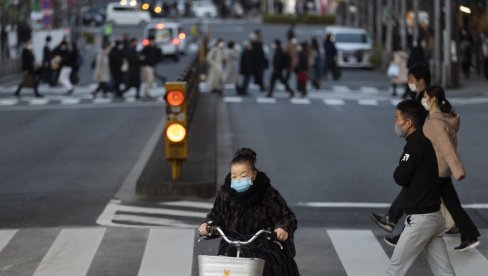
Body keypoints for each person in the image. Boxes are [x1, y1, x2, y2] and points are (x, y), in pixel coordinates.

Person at [198, 148, 300, 276]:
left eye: (243, 175)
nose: (238, 179)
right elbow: (216, 215)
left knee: (269, 269)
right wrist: (207, 226)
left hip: (262, 246)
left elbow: (286, 216)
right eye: (234, 176)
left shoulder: (267, 193)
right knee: (221, 269)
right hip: (231, 245)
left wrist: (282, 229)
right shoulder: (225, 194)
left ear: (254, 175)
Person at [386, 100, 455, 276]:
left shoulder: (414, 145)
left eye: (397, 118)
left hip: (420, 220)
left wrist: (401, 166)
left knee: (395, 269)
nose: (395, 122)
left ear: (408, 123)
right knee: (444, 271)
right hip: (433, 216)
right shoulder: (424, 143)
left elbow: (400, 176)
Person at [370, 63, 431, 241]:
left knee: (418, 195)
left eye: (411, 80)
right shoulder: (419, 98)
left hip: (428, 155)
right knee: (430, 197)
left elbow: (401, 176)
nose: (409, 83)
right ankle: (463, 230)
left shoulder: (426, 100)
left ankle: (403, 232)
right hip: (429, 154)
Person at [422, 86, 480, 251]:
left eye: (425, 96)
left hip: (435, 170)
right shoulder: (438, 118)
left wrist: (458, 170)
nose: (424, 99)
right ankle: (469, 235)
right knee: (453, 204)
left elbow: (447, 148)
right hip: (440, 170)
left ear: (433, 99)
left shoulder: (436, 122)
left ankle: (405, 237)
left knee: (417, 201)